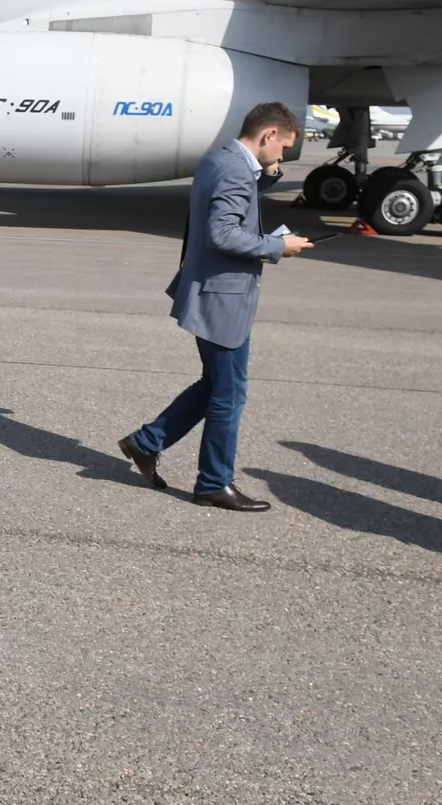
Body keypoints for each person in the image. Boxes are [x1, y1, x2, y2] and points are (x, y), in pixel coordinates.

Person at [118, 102, 312, 511]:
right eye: (283, 147)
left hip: (210, 289)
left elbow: (229, 205)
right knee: (229, 394)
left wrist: (267, 176)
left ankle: (147, 442)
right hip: (222, 297)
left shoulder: (218, 158)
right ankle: (213, 482)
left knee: (215, 383)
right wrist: (279, 245)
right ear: (268, 135)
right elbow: (223, 232)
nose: (282, 155)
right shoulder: (236, 170)